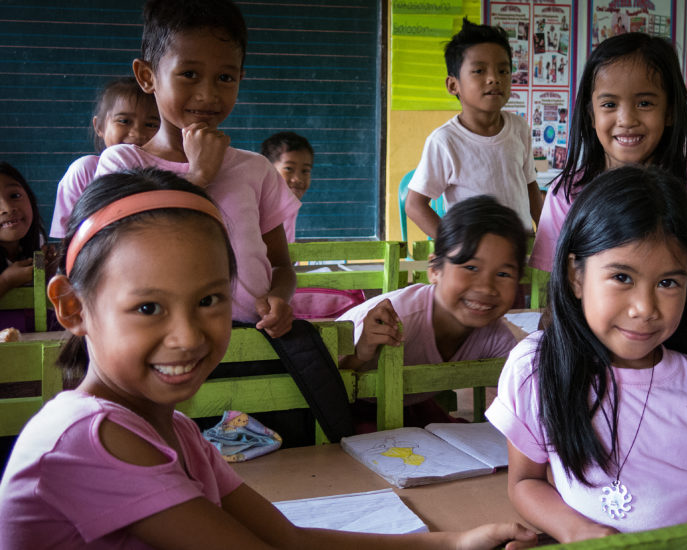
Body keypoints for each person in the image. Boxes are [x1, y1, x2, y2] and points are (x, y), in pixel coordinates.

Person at [0, 168, 537, 549]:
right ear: (72, 307)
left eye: (210, 300)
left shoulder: (181, 434)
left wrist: (453, 543)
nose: (187, 336)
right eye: (147, 307)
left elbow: (288, 540)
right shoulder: (87, 439)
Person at [486, 166, 687, 543]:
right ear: (576, 276)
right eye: (622, 277)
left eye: (668, 282)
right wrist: (583, 533)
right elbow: (525, 481)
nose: (644, 307)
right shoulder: (537, 368)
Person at [94, 0, 300, 337]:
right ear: (148, 77)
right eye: (189, 74)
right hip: (168, 343)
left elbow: (280, 264)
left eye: (225, 77)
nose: (207, 94)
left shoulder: (256, 169)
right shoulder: (124, 164)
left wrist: (280, 297)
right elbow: (121, 254)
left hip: (254, 339)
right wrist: (198, 177)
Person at [529, 33, 687, 285]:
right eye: (609, 104)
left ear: (669, 112)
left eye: (645, 103)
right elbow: (555, 284)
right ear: (591, 115)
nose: (626, 120)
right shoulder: (566, 194)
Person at [339, 195, 527, 429]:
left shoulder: (495, 337)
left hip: (407, 405)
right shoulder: (396, 320)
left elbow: (525, 396)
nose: (486, 287)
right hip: (340, 409)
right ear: (435, 270)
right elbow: (324, 380)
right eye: (470, 267)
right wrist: (360, 353)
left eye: (503, 274)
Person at [405, 18, 543, 239]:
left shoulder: (519, 128)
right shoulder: (445, 141)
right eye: (479, 71)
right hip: (474, 258)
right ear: (453, 85)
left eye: (503, 71)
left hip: (520, 249)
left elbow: (530, 185)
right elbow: (414, 204)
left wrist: (547, 238)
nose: (494, 79)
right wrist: (454, 247)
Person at [50, 77, 160, 238]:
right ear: (99, 126)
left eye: (151, 125)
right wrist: (39, 264)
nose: (137, 133)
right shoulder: (85, 170)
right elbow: (62, 240)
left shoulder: (163, 174)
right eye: (124, 121)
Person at [0, 162, 55, 332]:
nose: (8, 209)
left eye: (15, 195)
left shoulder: (35, 243)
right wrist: (5, 281)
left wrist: (47, 274)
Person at [260, 131, 314, 242]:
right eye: (289, 169)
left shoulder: (290, 206)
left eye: (305, 171)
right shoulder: (259, 208)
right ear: (268, 169)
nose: (297, 179)